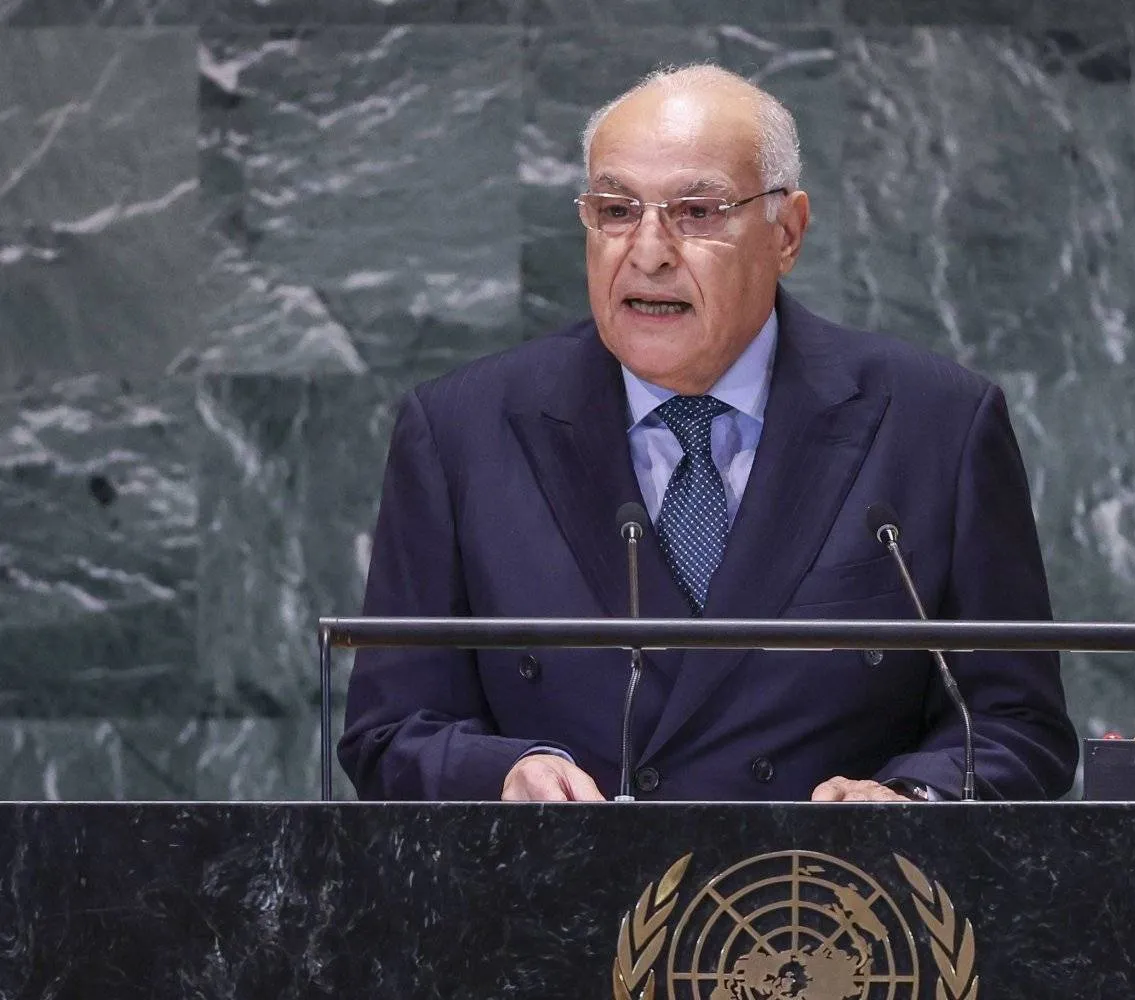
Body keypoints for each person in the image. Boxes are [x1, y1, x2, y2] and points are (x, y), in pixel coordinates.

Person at [339, 64, 1077, 803]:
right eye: (617, 209)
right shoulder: (461, 431)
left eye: (697, 212)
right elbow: (391, 729)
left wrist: (911, 800)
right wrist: (504, 773)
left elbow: (1015, 723)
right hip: (560, 903)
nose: (650, 250)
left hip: (821, 905)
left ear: (786, 232)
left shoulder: (935, 424)